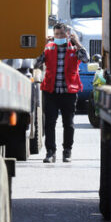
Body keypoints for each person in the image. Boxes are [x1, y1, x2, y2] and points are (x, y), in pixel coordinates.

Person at [35, 22, 89, 163]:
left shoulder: (73, 49)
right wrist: (43, 46)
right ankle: (50, 152)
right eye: (56, 34)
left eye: (61, 34)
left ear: (67, 35)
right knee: (50, 123)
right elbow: (36, 63)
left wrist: (76, 42)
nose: (58, 37)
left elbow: (85, 59)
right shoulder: (48, 48)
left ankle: (67, 151)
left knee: (68, 123)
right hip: (51, 91)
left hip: (69, 92)